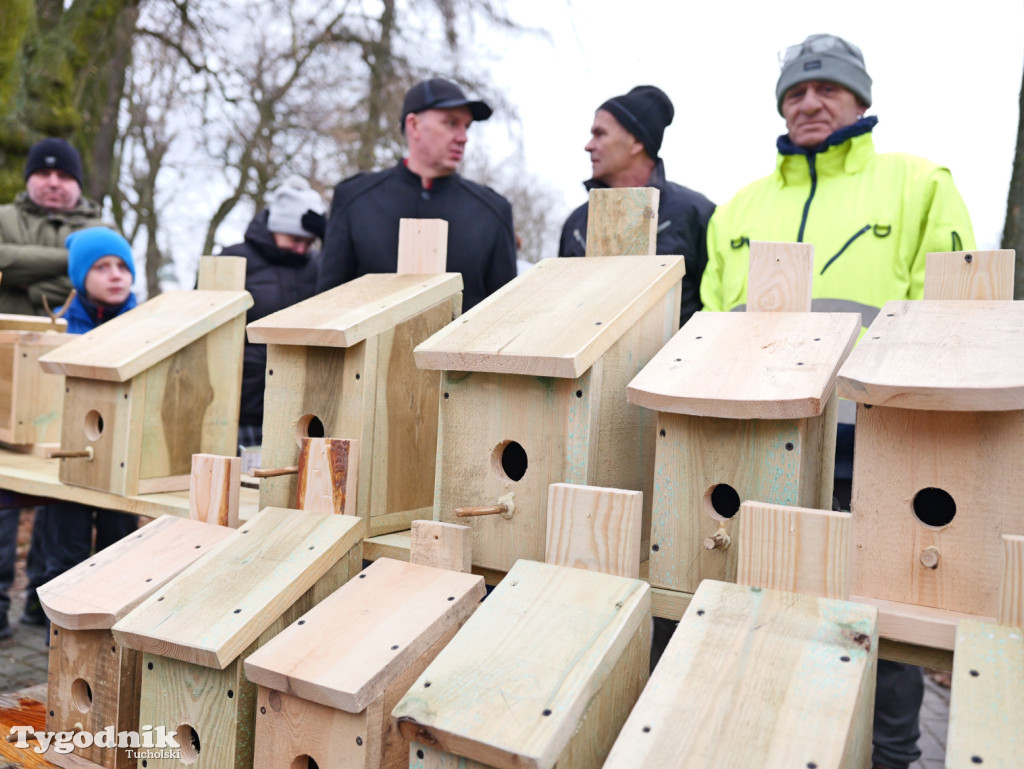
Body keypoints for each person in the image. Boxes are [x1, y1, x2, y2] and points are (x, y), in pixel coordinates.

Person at [700, 34, 975, 769]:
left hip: (876, 443)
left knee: (880, 619)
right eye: (796, 92)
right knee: (768, 604)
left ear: (861, 99)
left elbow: (953, 315)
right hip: (765, 442)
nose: (810, 103)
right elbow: (714, 324)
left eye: (828, 90)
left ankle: (889, 756)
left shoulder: (918, 183)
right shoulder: (740, 208)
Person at [0, 138, 106, 639]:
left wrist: (20, 275)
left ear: (77, 183)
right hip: (4, 376)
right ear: (29, 179)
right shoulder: (5, 216)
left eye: (64, 175)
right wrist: (64, 263)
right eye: (44, 174)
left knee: (57, 494)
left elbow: (95, 283)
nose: (53, 182)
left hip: (67, 377)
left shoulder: (98, 228)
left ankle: (43, 607)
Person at [318, 78, 517, 310]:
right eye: (451, 123)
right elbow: (327, 310)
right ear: (414, 125)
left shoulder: (492, 211)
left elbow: (505, 318)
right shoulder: (355, 200)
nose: (463, 137)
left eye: (467, 126)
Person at [34, 228, 139, 619]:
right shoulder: (59, 330)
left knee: (121, 554)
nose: (115, 275)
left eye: (122, 266)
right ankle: (56, 638)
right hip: (71, 461)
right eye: (101, 267)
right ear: (80, 277)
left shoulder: (146, 325)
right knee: (65, 558)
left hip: (122, 465)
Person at [558, 86, 715, 326]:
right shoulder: (577, 223)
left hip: (673, 363)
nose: (589, 146)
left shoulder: (696, 214)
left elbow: (714, 309)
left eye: (600, 134)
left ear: (636, 142)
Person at [220, 176, 324, 448]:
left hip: (305, 405)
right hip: (243, 407)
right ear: (275, 227)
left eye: (309, 241)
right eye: (295, 238)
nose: (302, 248)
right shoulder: (233, 261)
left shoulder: (319, 266)